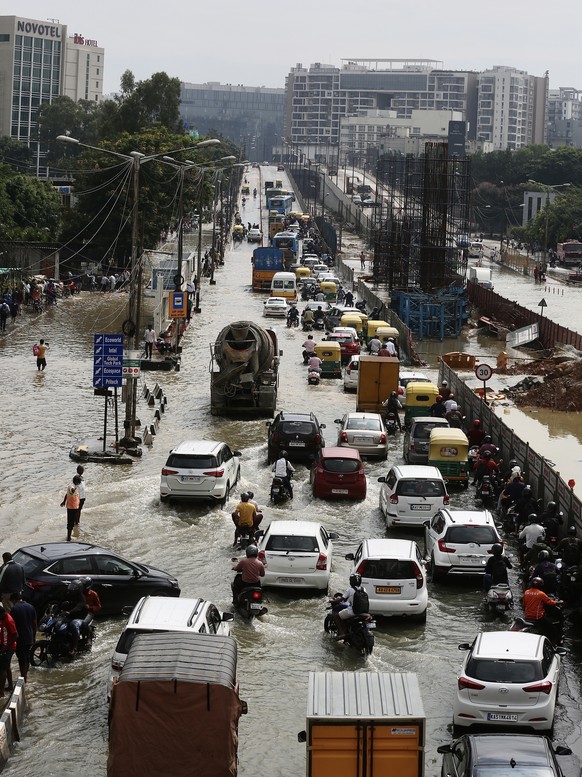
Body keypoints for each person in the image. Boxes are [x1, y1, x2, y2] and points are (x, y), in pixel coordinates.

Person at [523, 577, 563, 645]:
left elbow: (524, 604)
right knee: (552, 629)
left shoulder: (526, 592)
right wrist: (558, 602)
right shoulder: (541, 594)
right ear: (541, 585)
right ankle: (552, 644)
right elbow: (550, 602)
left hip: (527, 616)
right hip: (537, 617)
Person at [9, 592, 36, 682]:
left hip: (20, 637)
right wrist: (34, 636)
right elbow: (34, 623)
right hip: (29, 636)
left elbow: (12, 624)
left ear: (14, 599)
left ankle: (23, 678)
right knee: (27, 656)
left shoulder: (14, 609)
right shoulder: (31, 607)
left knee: (21, 658)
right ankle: (25, 677)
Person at [62, 580, 89, 656]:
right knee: (58, 624)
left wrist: (70, 612)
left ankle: (74, 648)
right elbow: (61, 603)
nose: (72, 589)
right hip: (69, 616)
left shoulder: (81, 597)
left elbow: (78, 607)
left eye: (74, 587)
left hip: (79, 617)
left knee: (74, 625)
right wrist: (54, 612)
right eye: (72, 586)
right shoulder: (68, 594)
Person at [0, 606, 18, 696]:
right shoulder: (3, 618)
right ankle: (10, 686)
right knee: (6, 667)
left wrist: (6, 647)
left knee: (2, 669)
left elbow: (16, 636)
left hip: (9, 648)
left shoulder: (9, 620)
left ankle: (1, 692)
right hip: (5, 646)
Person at [61, 475, 82, 542]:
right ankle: (69, 538)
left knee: (71, 523)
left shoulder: (73, 486)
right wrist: (74, 490)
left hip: (72, 507)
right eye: (79, 482)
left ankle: (69, 536)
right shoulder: (72, 487)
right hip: (72, 508)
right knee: (70, 523)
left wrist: (64, 501)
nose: (79, 483)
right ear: (76, 481)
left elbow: (67, 494)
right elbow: (71, 491)